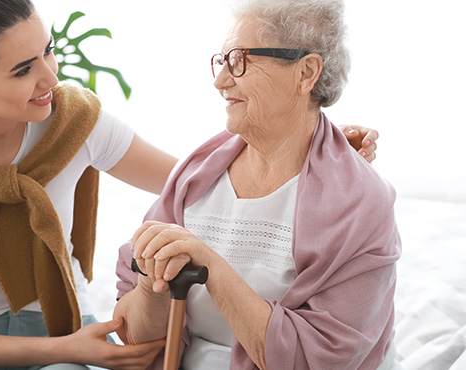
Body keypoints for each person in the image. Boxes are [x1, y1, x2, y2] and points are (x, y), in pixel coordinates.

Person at [0, 0, 378, 369]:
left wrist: (315, 144)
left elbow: (203, 183)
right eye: (23, 70)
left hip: (63, 327)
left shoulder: (71, 123)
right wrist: (66, 350)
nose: (50, 76)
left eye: (48, 50)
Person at [113, 0, 401, 369]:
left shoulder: (361, 203)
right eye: (222, 60)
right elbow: (136, 338)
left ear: (306, 72)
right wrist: (150, 286)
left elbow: (317, 358)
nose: (220, 81)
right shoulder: (197, 175)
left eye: (240, 60)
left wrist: (211, 266)